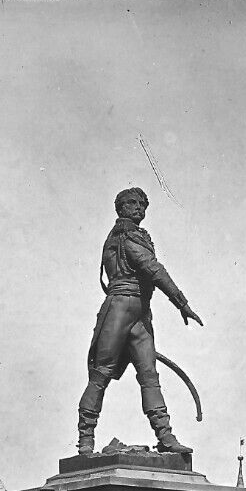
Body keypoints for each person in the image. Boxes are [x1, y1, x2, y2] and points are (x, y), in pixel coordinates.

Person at [78, 187, 204, 456]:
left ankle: (165, 435)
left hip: (140, 314)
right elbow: (152, 268)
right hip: (120, 307)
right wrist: (181, 302)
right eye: (131, 203)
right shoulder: (124, 235)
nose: (138, 207)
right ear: (120, 208)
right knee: (100, 374)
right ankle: (85, 439)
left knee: (149, 375)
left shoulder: (137, 235)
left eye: (142, 204)